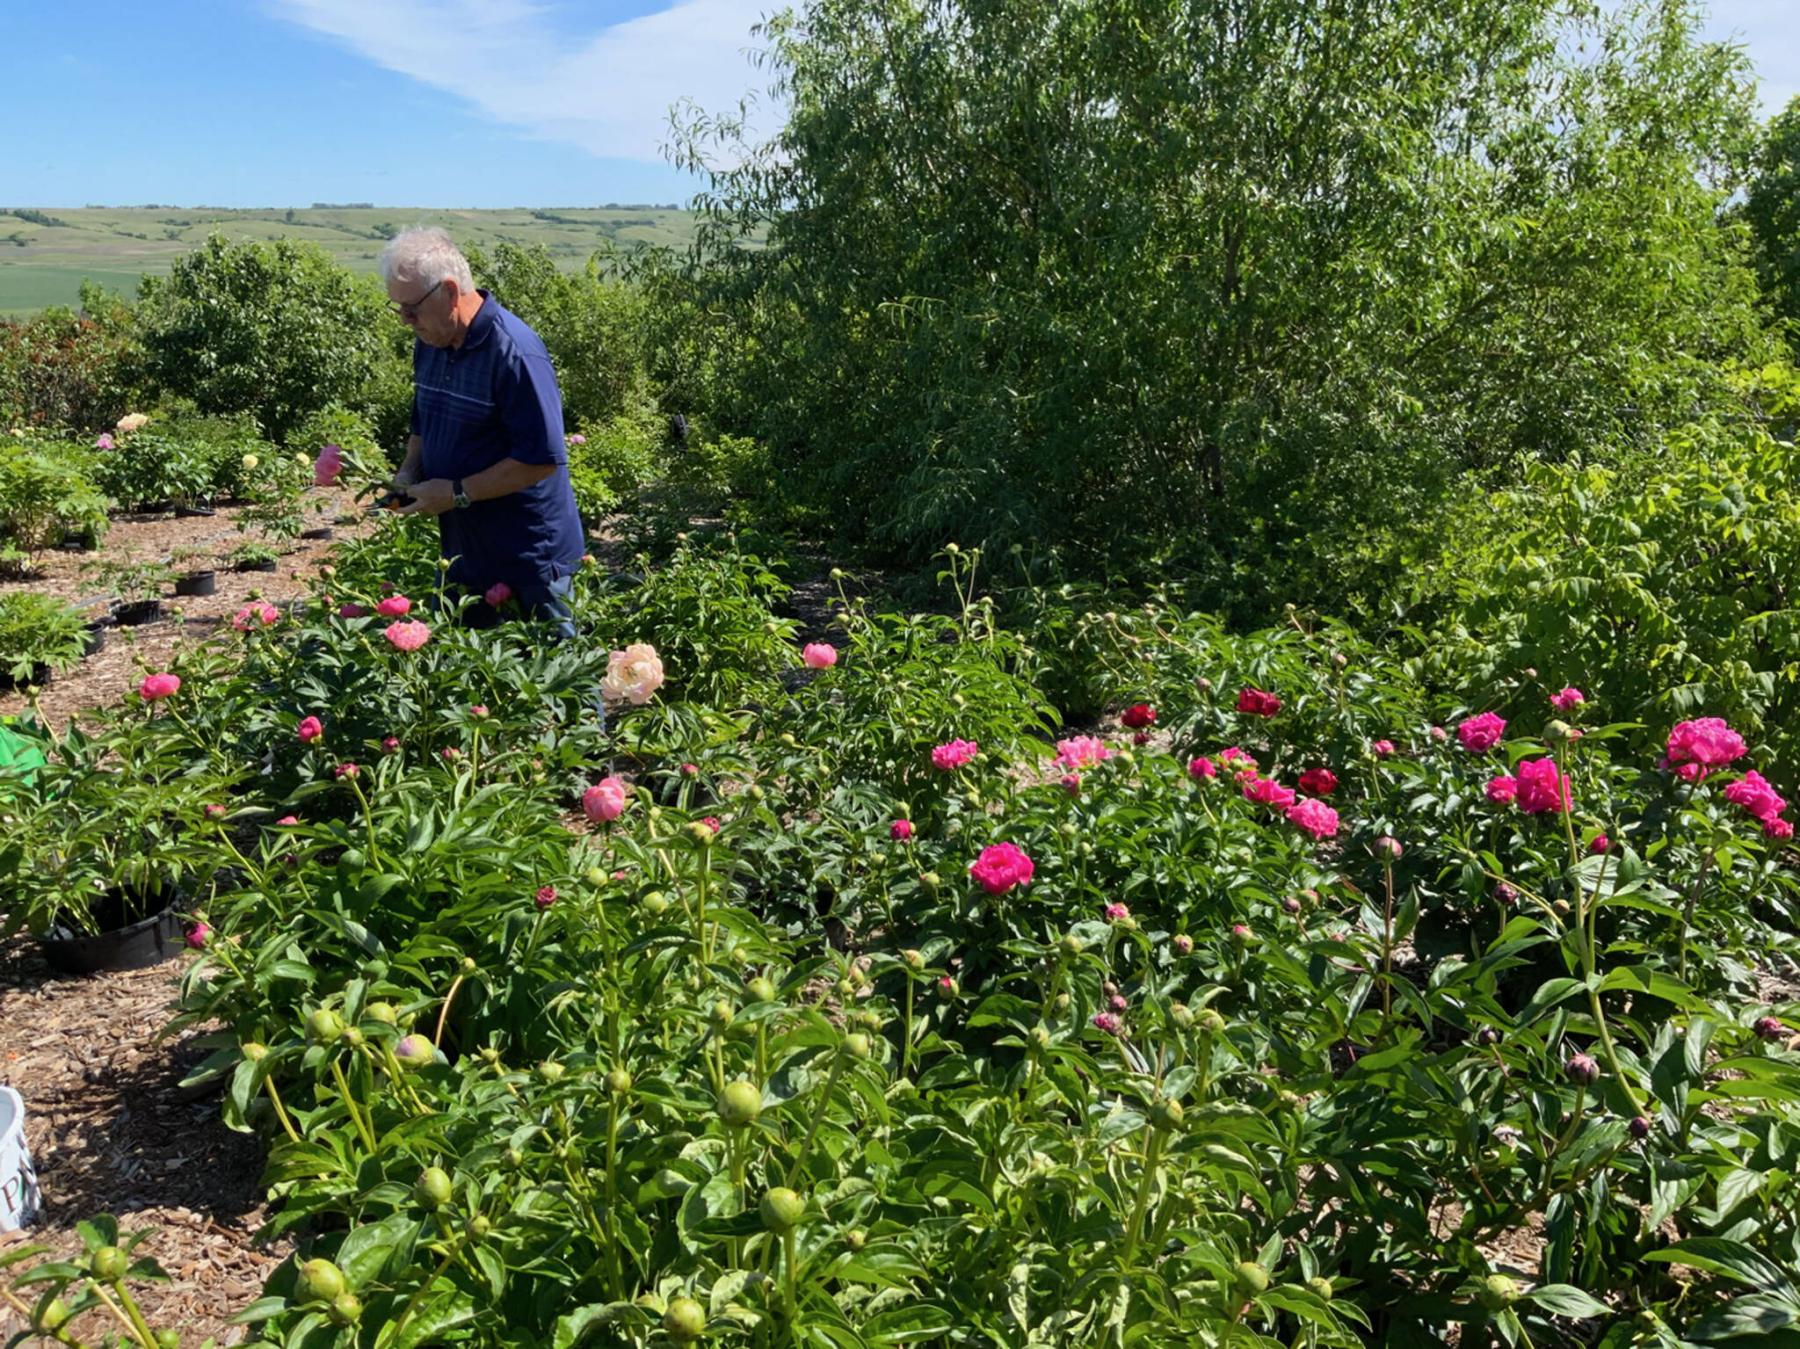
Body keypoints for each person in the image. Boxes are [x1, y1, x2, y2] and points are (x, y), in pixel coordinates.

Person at [379, 227, 585, 639]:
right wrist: (408, 472)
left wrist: (455, 492)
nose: (405, 320)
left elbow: (540, 459)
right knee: (470, 680)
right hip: (464, 550)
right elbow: (424, 415)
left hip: (529, 556)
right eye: (397, 308)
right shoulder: (432, 341)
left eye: (411, 308)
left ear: (450, 291)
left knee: (561, 684)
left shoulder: (515, 353)